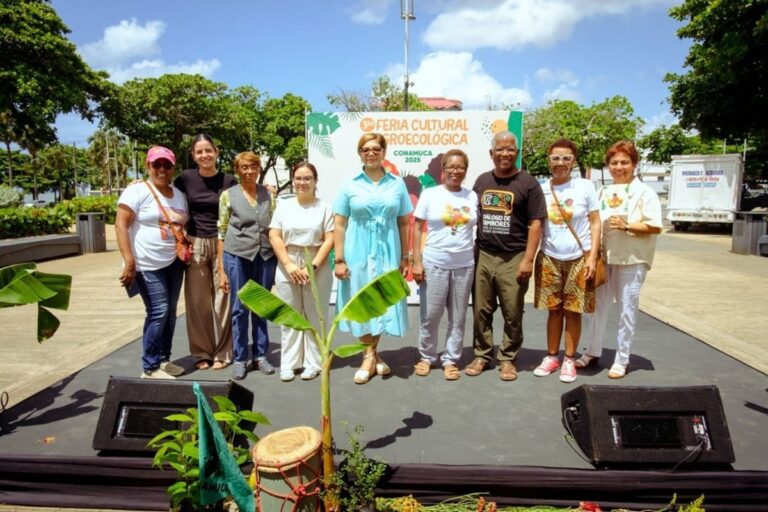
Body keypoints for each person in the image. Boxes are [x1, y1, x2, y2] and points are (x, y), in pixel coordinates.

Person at [467, 131, 547, 381]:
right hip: (484, 253)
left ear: (517, 152)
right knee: (481, 309)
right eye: (499, 149)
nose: (505, 153)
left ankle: (508, 358)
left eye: (510, 149)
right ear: (491, 154)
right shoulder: (481, 181)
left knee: (512, 311)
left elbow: (536, 224)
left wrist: (528, 259)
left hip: (515, 256)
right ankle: (482, 354)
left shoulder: (529, 184)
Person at [333, 133, 413, 385]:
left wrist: (405, 255)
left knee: (381, 301)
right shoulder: (349, 184)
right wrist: (339, 259)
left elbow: (403, 222)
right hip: (357, 250)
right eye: (365, 149)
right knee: (362, 300)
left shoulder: (397, 184)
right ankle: (369, 357)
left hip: (388, 250)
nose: (371, 153)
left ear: (384, 152)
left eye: (376, 149)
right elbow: (339, 223)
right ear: (359, 153)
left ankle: (372, 353)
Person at [579, 141, 663, 378]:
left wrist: (627, 226)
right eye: (614, 163)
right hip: (605, 259)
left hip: (631, 259)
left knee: (627, 310)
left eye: (624, 162)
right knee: (596, 308)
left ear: (634, 164)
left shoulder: (645, 192)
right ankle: (593, 350)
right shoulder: (603, 192)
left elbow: (655, 226)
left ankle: (622, 358)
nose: (619, 167)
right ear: (607, 166)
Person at [116, 146, 188, 379]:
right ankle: (150, 366)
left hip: (173, 262)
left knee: (170, 311)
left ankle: (164, 359)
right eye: (157, 164)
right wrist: (129, 261)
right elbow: (121, 225)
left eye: (167, 165)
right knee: (158, 311)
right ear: (148, 166)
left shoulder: (178, 195)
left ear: (172, 168)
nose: (162, 169)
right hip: (146, 263)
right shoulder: (136, 191)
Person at [532, 139, 600, 383]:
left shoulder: (585, 187)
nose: (561, 163)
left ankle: (570, 359)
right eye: (556, 158)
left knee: (573, 311)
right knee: (553, 310)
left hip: (578, 258)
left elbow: (595, 222)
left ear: (574, 161)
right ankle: (552, 356)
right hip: (549, 256)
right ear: (549, 160)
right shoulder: (540, 188)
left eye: (566, 158)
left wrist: (592, 256)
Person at [411, 149, 477, 381]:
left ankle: (451, 359)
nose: (456, 171)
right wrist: (416, 261)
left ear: (465, 171)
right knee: (430, 315)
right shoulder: (430, 194)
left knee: (458, 316)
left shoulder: (472, 196)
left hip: (464, 265)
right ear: (444, 169)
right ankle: (427, 356)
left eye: (461, 167)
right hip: (434, 263)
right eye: (451, 167)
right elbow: (417, 228)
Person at [174, 134, 237, 371]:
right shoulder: (185, 179)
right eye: (199, 152)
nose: (204, 156)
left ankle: (223, 351)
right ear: (193, 156)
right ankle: (201, 352)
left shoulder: (229, 181)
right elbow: (165, 194)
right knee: (197, 302)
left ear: (216, 152)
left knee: (223, 298)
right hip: (196, 243)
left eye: (208, 151)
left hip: (223, 244)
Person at [268, 162, 334, 382]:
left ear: (315, 181)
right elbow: (274, 235)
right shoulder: (284, 206)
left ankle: (314, 362)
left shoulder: (325, 207)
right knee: (290, 315)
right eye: (298, 178)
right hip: (288, 262)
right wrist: (288, 265)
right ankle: (289, 363)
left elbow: (330, 238)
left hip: (317, 263)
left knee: (315, 315)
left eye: (307, 178)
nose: (302, 182)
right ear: (293, 180)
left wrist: (313, 266)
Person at [217, 151, 277, 380]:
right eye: (244, 167)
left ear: (258, 169)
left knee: (261, 307)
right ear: (238, 170)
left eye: (253, 166)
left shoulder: (268, 195)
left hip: (264, 256)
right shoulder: (228, 196)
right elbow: (221, 232)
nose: (249, 171)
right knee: (239, 308)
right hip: (237, 256)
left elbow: (274, 227)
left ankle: (260, 355)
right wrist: (222, 269)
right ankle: (241, 358)